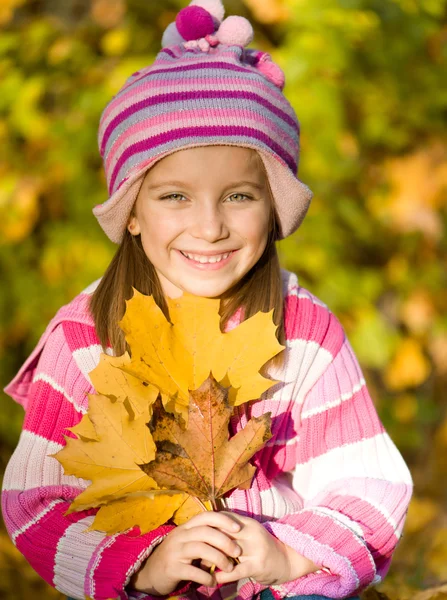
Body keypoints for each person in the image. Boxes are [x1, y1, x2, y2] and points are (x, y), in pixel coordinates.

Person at [1, 1, 413, 599]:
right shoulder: (86, 337)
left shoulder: (302, 330)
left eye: (239, 196)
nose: (210, 226)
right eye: (174, 196)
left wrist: (290, 554)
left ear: (273, 207)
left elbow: (367, 483)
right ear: (133, 215)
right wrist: (143, 563)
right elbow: (37, 503)